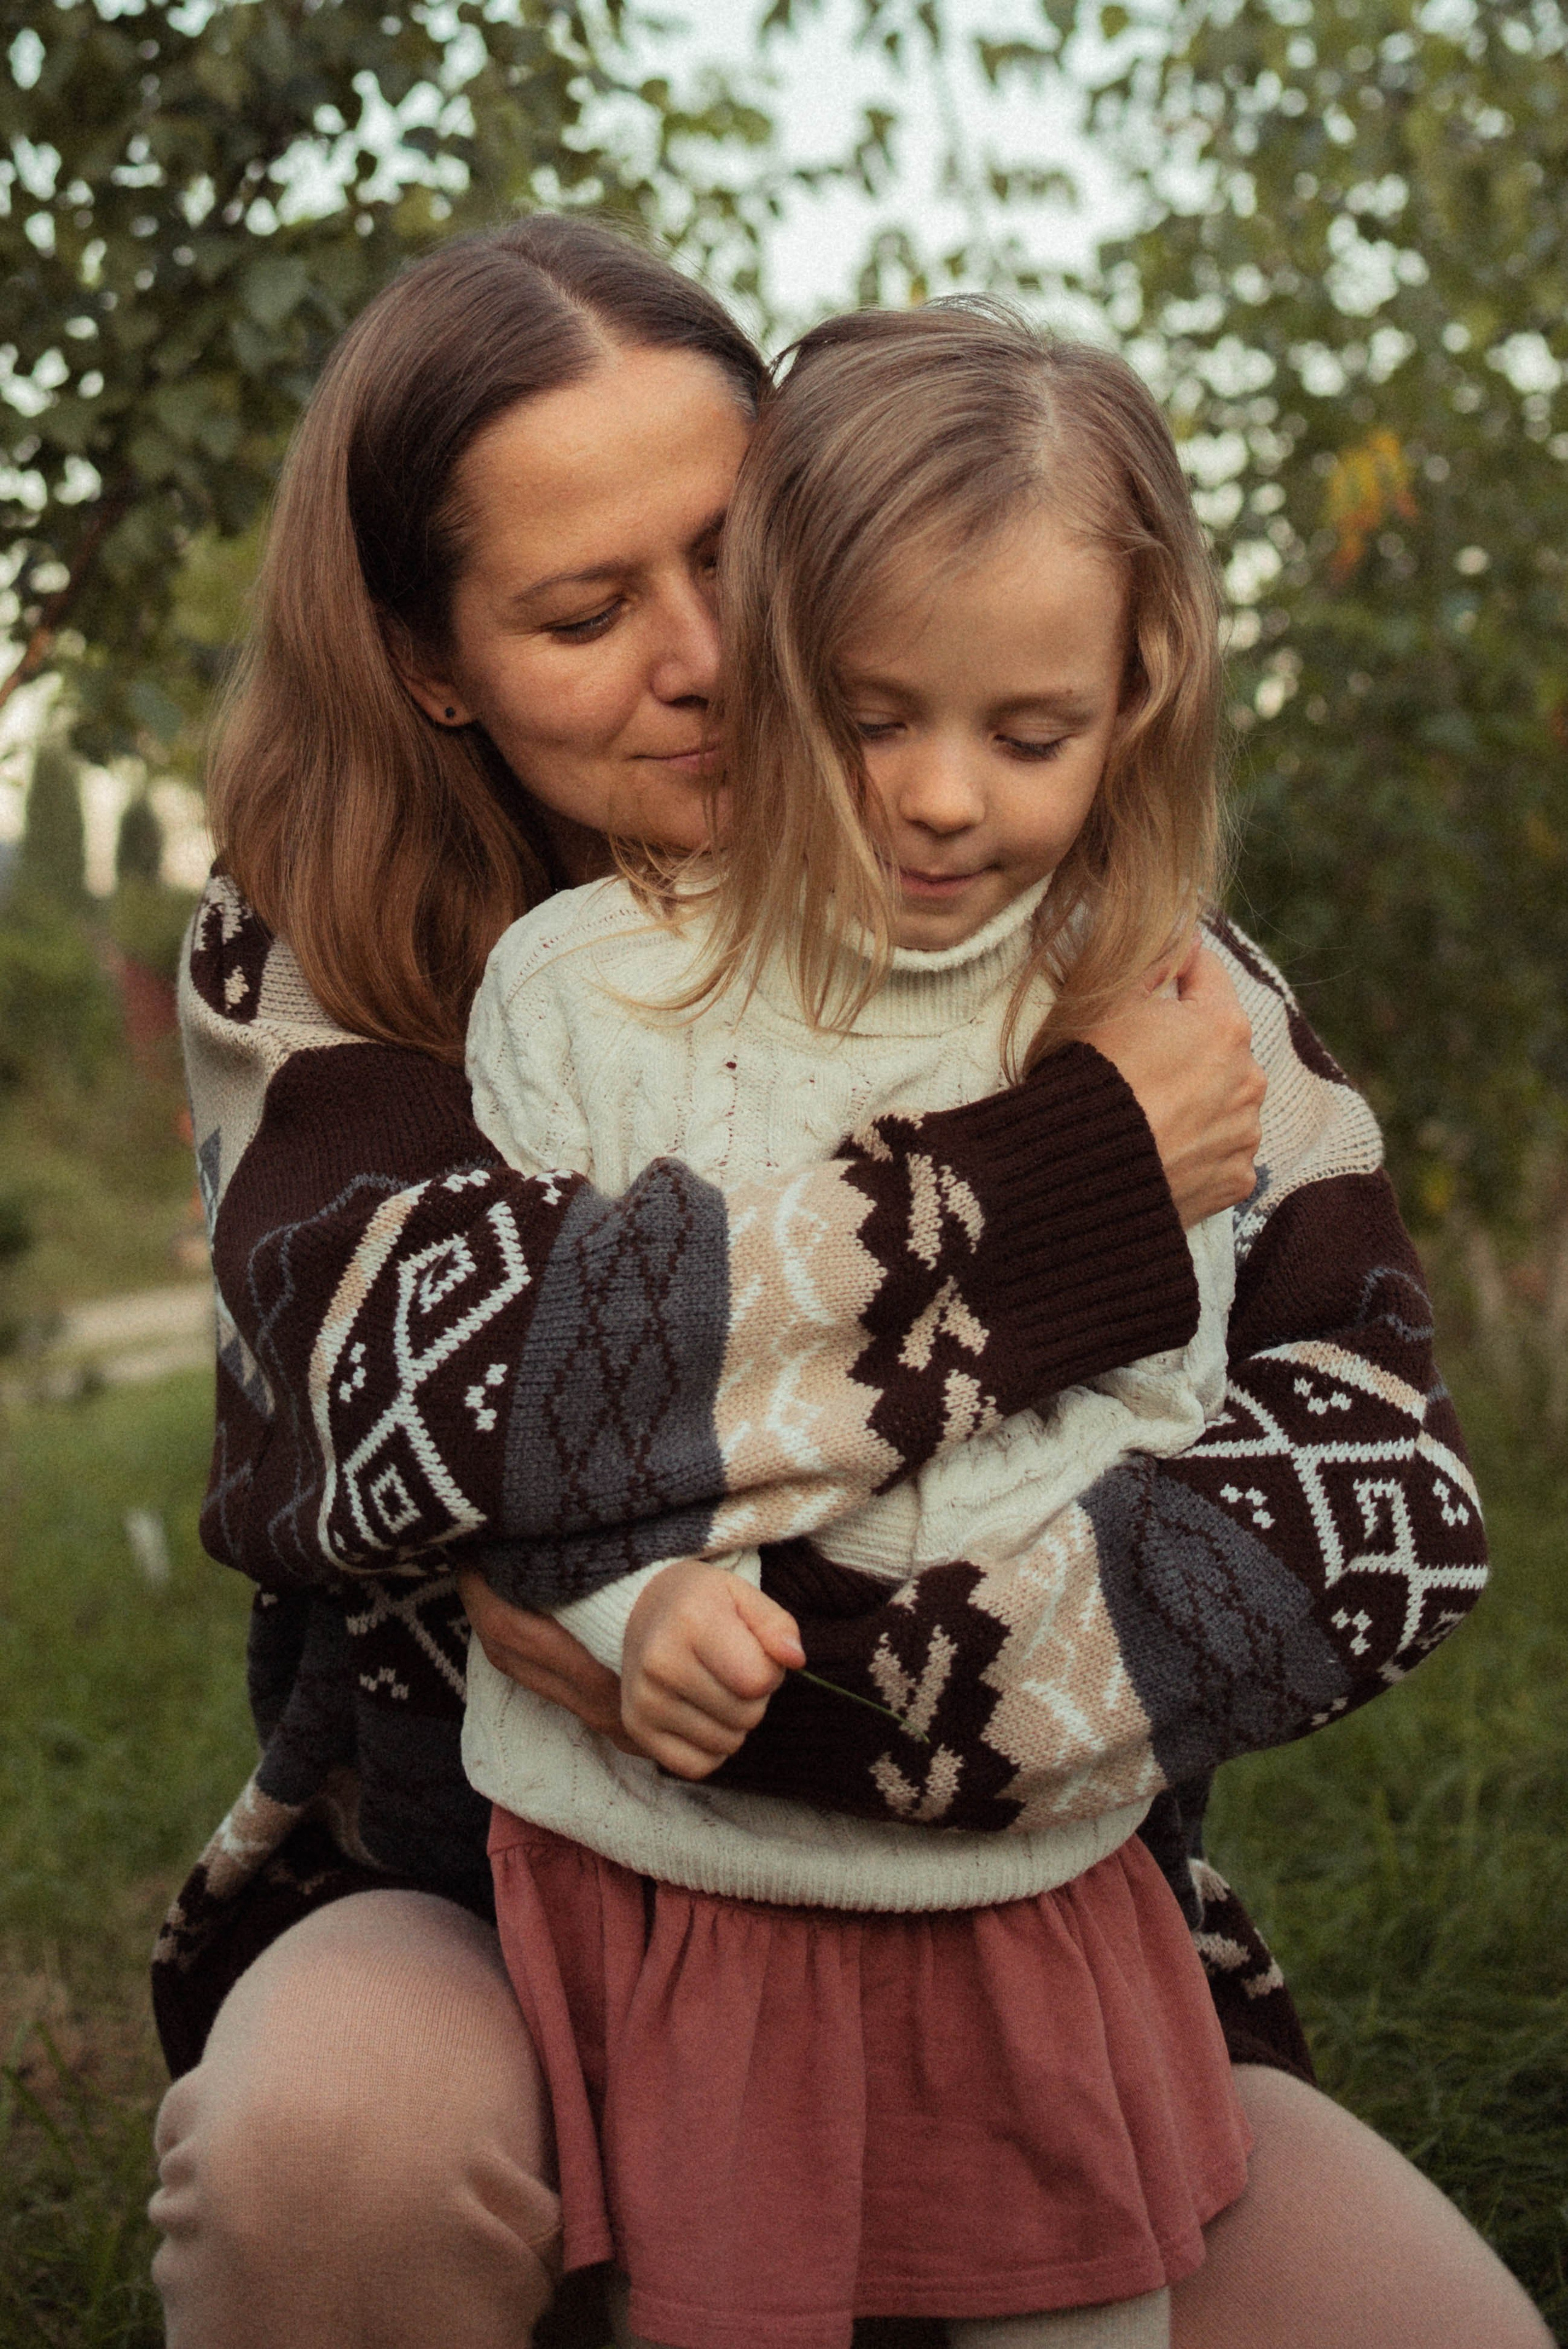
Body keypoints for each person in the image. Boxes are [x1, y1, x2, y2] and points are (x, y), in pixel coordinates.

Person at [146, 216, 1536, 2349]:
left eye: (732, 552)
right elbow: (405, 1407)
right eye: (585, 610)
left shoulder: (1122, 954)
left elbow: (1381, 1479)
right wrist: (1064, 1186)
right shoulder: (341, 947)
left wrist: (874, 1702)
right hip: (481, 1902)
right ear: (435, 661)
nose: (702, 656)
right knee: (336, 2157)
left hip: (1029, 1923)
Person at [461, 301, 1260, 2349]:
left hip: (1024, 1905)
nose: (936, 801)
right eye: (871, 710)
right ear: (782, 653)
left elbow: (1163, 1412)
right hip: (691, 1894)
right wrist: (643, 1602)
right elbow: (528, 1430)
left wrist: (754, 1453)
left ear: (1134, 698)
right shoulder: (586, 996)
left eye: (1029, 733)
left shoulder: (1141, 1008)